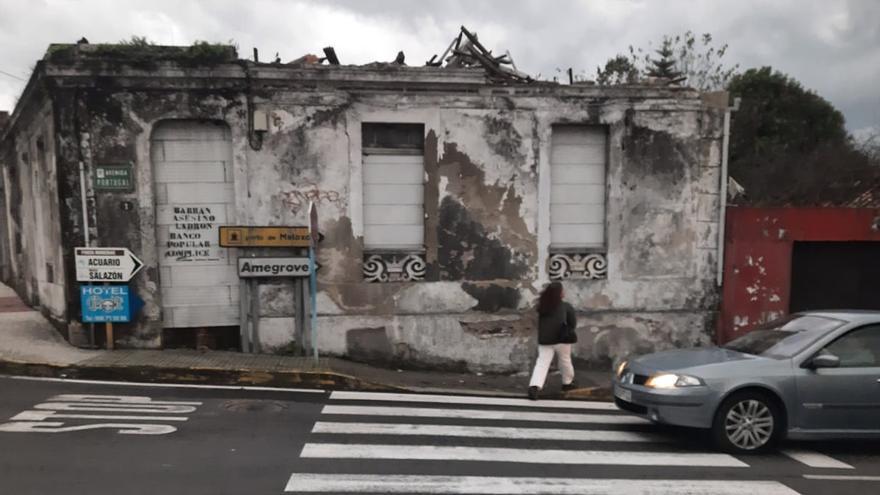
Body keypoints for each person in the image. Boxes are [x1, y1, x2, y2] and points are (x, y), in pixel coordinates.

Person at [528, 282, 577, 400]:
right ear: (560, 293)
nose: (564, 292)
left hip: (545, 340)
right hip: (562, 339)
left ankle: (535, 386)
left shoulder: (542, 306)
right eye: (562, 290)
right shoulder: (566, 306)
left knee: (542, 363)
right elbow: (572, 323)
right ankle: (567, 383)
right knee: (565, 361)